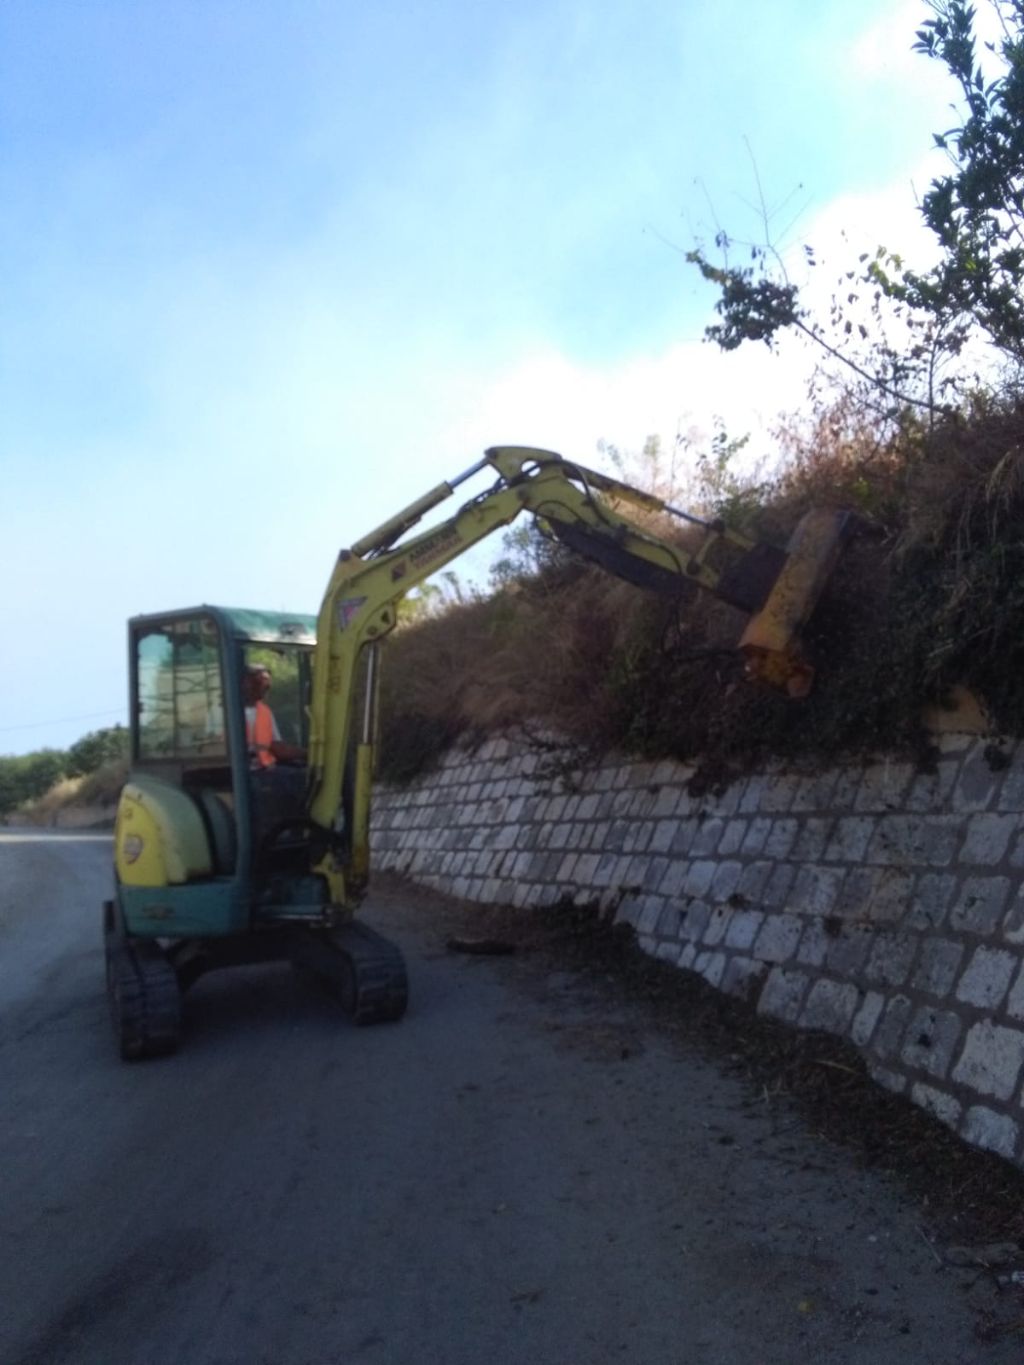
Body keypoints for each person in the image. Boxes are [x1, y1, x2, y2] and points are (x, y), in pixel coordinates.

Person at [242, 664, 305, 769]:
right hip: (239, 774)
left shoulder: (264, 712)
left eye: (267, 683)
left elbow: (278, 748)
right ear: (246, 683)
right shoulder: (224, 712)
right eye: (259, 681)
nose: (265, 686)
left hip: (264, 769)